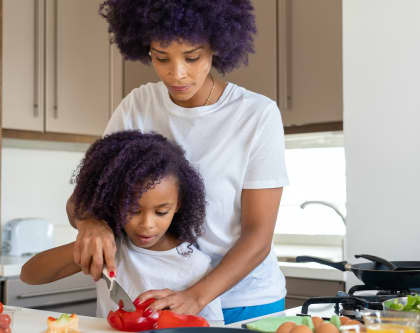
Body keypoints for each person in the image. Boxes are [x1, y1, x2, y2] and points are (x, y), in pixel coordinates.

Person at [67, 0, 289, 325]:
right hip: (160, 298)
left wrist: (196, 297)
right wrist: (92, 223)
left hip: (243, 301)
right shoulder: (138, 106)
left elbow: (258, 236)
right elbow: (85, 198)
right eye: (161, 58)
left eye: (192, 57)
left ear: (218, 45)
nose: (176, 73)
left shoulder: (256, 115)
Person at [21, 130, 224, 322]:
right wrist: (88, 245)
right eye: (133, 210)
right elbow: (29, 275)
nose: (147, 225)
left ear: (178, 204)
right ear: (114, 202)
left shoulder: (195, 266)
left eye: (161, 212)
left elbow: (214, 326)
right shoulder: (112, 248)